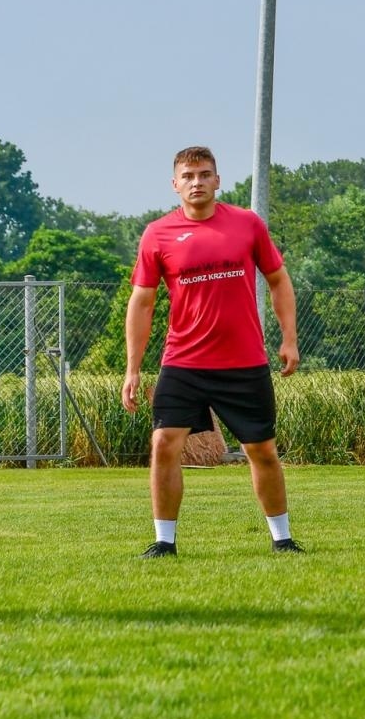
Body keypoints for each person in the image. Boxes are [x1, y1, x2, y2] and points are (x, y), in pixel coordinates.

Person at [121, 146, 304, 557]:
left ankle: (283, 538)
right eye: (188, 176)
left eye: (205, 174)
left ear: (217, 180)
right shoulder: (157, 234)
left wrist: (289, 337)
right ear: (175, 184)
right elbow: (142, 303)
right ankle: (164, 542)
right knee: (164, 442)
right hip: (183, 362)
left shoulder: (247, 224)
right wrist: (133, 368)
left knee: (262, 450)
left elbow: (278, 280)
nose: (197, 182)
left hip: (244, 362)